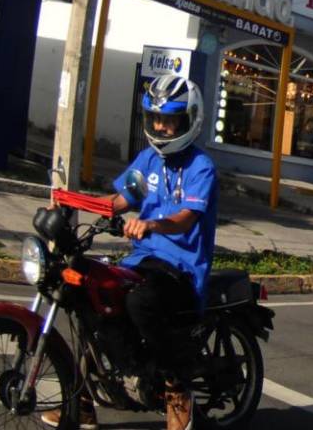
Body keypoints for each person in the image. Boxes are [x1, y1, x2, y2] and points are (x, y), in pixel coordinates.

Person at [47, 75, 218, 430]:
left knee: (140, 303)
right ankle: (82, 400)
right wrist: (72, 200)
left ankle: (175, 387)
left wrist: (152, 225)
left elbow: (187, 218)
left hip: (180, 268)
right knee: (91, 298)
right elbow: (121, 201)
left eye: (169, 120)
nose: (161, 126)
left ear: (188, 121)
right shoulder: (147, 160)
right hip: (142, 261)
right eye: (156, 119)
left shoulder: (201, 167)